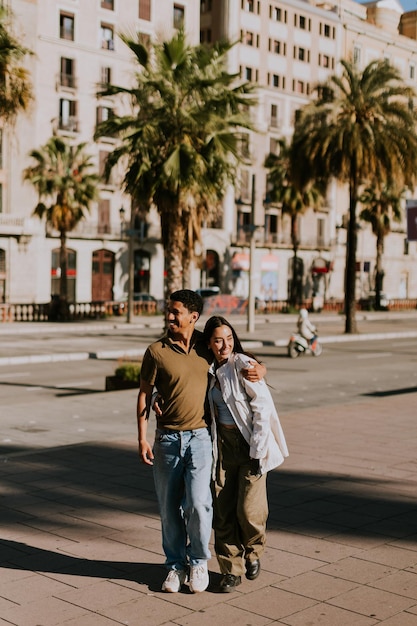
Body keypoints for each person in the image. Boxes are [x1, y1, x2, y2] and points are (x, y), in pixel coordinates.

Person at [137, 289, 266, 594]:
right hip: (166, 439)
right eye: (169, 311)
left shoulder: (205, 346)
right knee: (169, 509)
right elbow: (145, 392)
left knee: (198, 504)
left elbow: (234, 357)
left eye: (175, 312)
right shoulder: (156, 351)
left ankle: (197, 561)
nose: (169, 317)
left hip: (200, 438)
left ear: (193, 317)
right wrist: (142, 437)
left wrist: (261, 368)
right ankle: (174, 566)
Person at [203, 315, 289, 593]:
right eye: (218, 340)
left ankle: (253, 552)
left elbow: (262, 407)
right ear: (209, 343)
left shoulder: (241, 365)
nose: (225, 345)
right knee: (223, 511)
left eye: (229, 338)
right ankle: (231, 570)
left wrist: (259, 449)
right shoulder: (206, 371)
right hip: (222, 448)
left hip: (250, 445)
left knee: (249, 510)